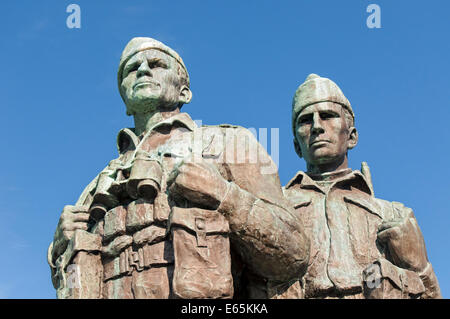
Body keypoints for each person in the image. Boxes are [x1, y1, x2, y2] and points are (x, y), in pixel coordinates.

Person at [47, 37, 309, 299]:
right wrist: (60, 246)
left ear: (184, 91)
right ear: (125, 100)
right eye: (131, 68)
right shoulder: (97, 185)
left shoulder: (231, 143)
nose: (143, 70)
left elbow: (293, 253)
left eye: (157, 63)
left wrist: (223, 195)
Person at [283, 73, 441, 299]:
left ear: (352, 137)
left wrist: (421, 269)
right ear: (297, 146)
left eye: (327, 116)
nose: (317, 126)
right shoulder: (275, 207)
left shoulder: (393, 215)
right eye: (306, 120)